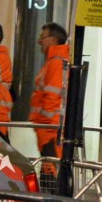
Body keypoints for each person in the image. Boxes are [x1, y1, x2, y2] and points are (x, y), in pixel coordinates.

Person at [29, 22, 70, 168]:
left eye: (42, 37)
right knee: (49, 175)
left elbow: (52, 99)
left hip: (50, 131)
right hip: (48, 130)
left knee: (51, 176)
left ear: (53, 39)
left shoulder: (56, 63)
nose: (39, 41)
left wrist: (44, 125)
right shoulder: (54, 61)